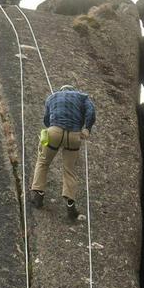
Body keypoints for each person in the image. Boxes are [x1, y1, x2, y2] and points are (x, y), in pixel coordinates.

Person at [29, 84, 96, 221]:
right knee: (69, 170)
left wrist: (54, 126)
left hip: (54, 132)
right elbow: (91, 111)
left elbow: (46, 119)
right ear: (73, 90)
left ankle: (38, 195)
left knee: (43, 162)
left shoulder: (52, 97)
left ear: (61, 90)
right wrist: (87, 129)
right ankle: (70, 204)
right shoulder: (82, 97)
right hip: (74, 135)